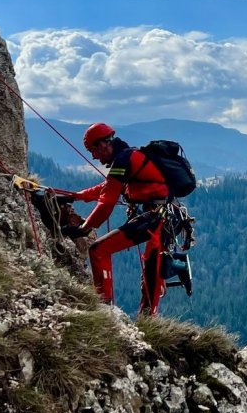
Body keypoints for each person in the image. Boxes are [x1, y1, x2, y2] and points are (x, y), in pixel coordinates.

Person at [64, 122, 173, 315]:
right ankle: (147, 323)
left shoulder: (124, 160)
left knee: (98, 250)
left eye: (93, 150)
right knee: (151, 275)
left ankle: (104, 308)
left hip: (154, 219)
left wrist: (84, 229)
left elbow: (107, 202)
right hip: (157, 219)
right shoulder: (128, 157)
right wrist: (75, 196)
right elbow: (107, 188)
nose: (94, 156)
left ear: (103, 144)